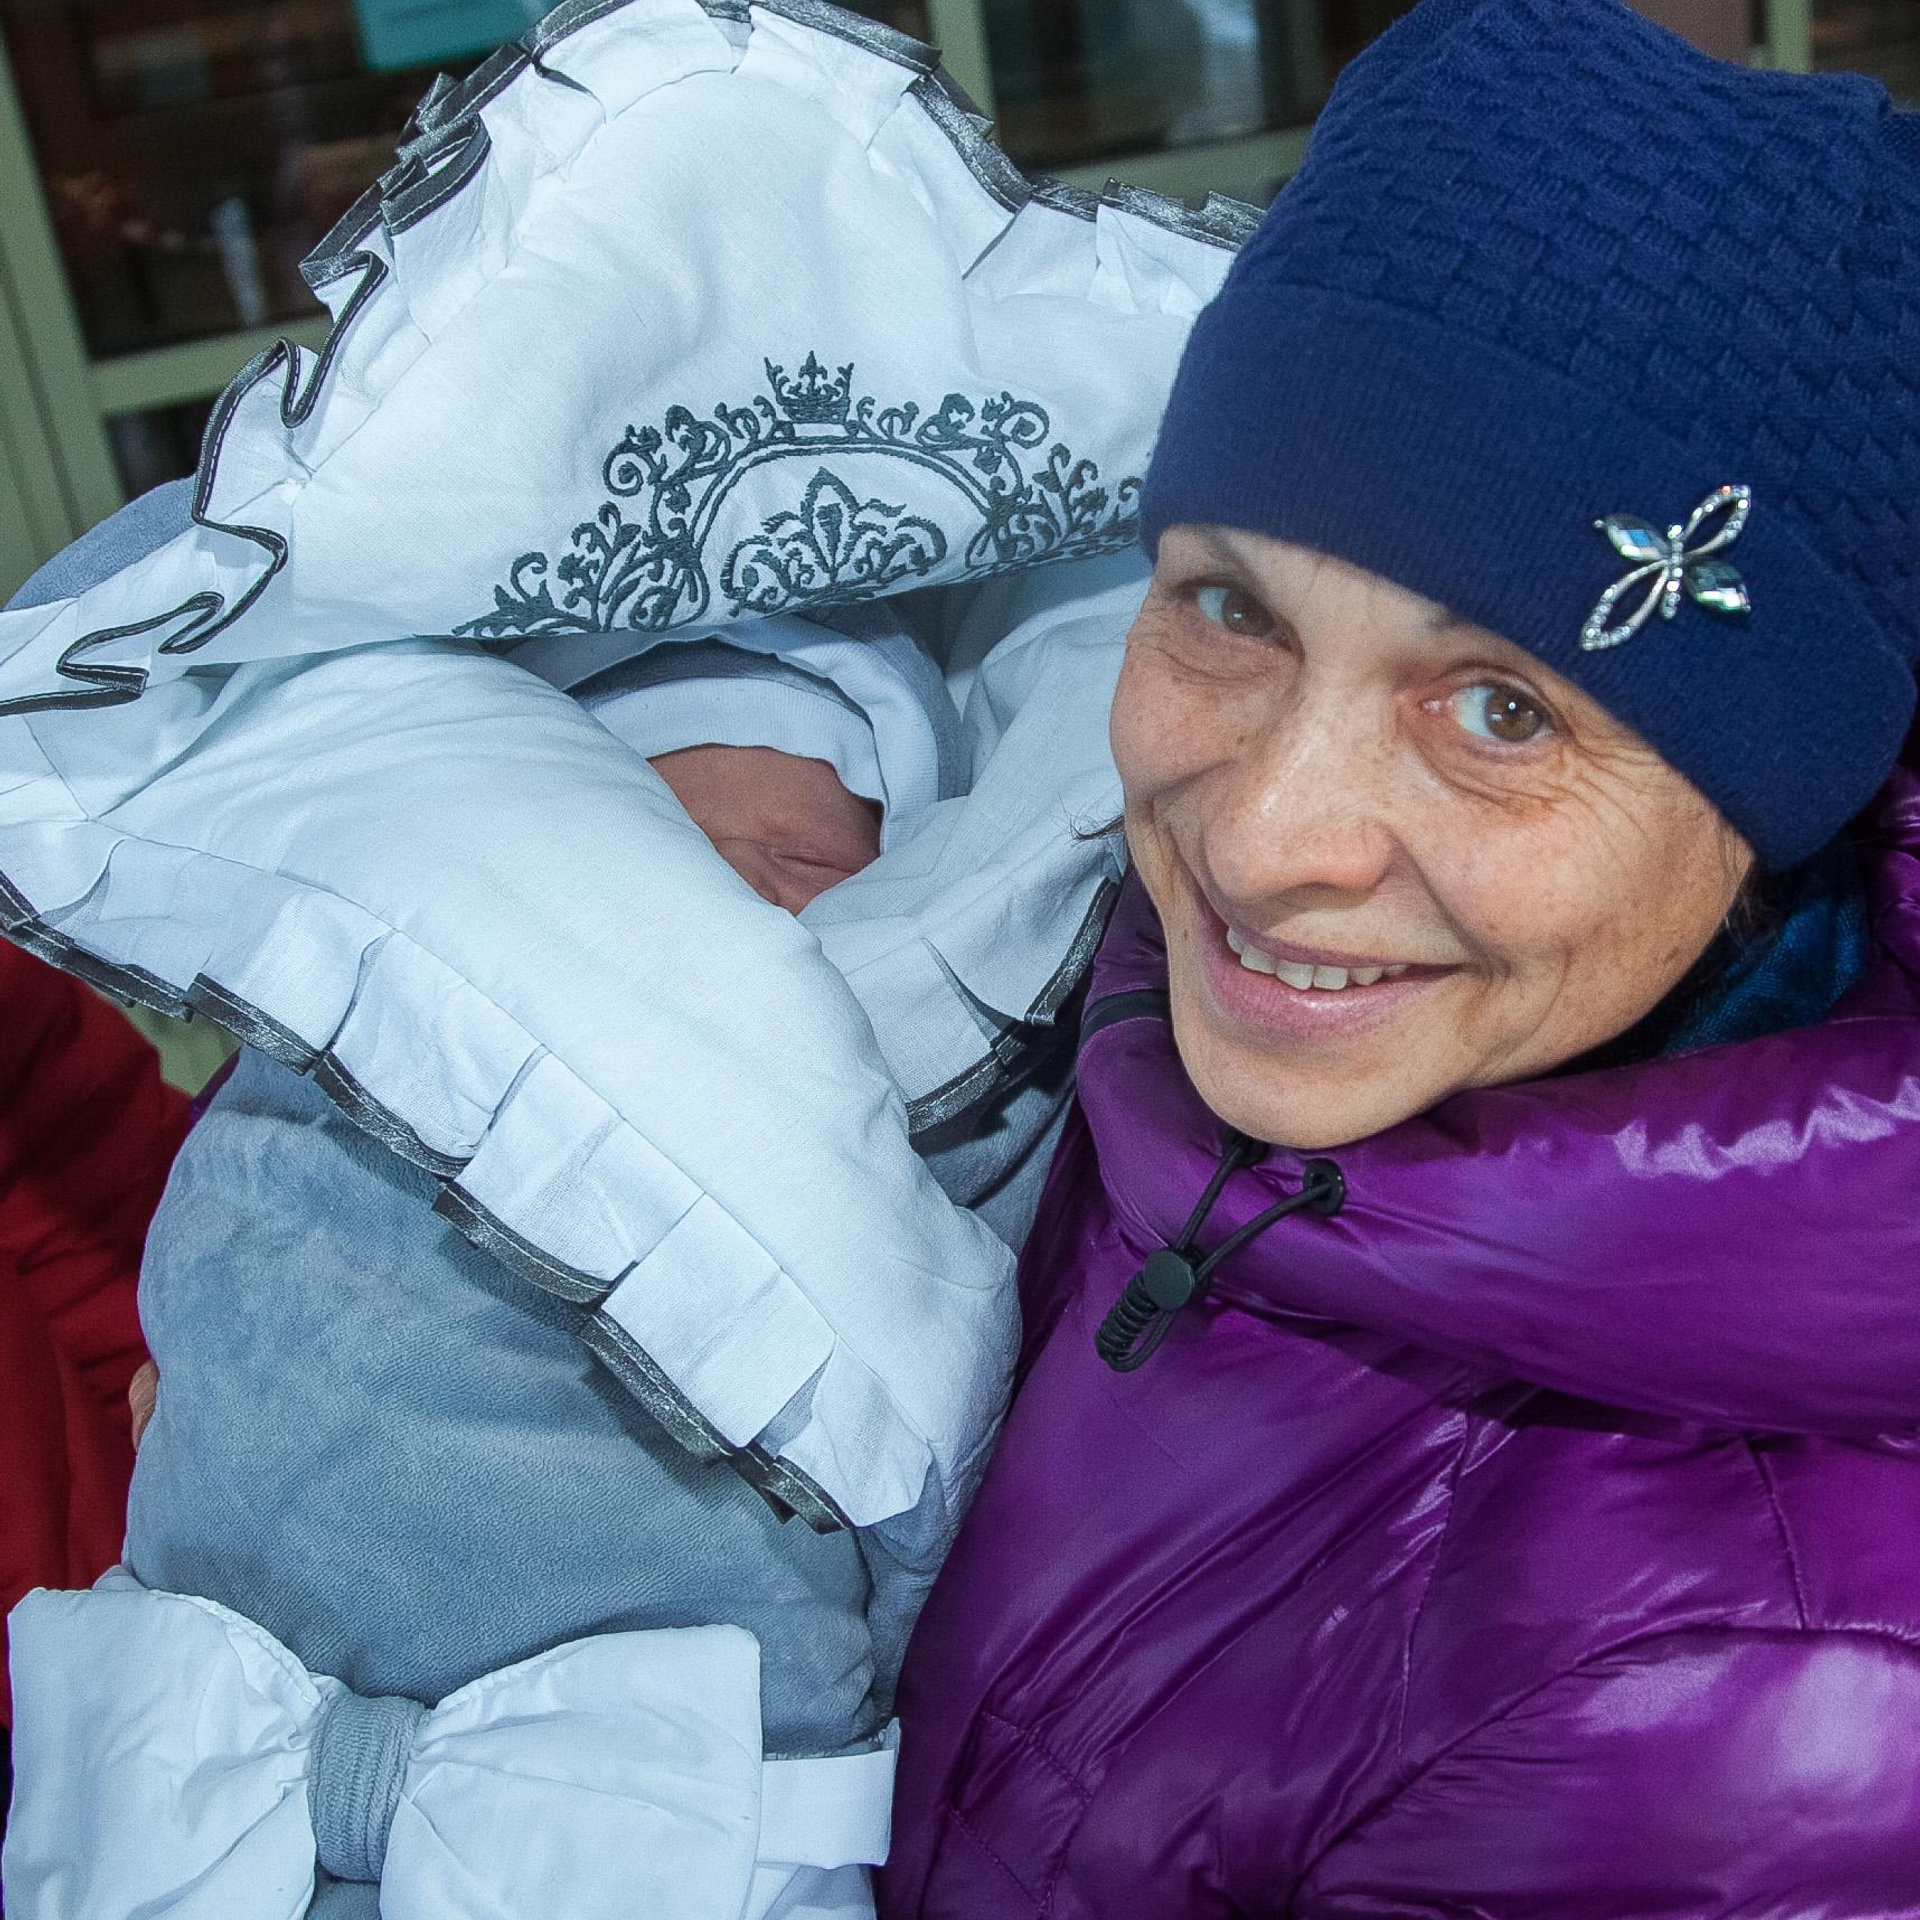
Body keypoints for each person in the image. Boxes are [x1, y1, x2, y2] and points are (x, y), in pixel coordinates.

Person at [883, 2, 1920, 1913]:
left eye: (1503, 711)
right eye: (1228, 610)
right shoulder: (1174, 1058)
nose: (1269, 843)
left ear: (1773, 800)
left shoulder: (1751, 1702)